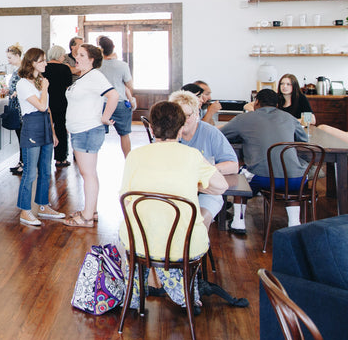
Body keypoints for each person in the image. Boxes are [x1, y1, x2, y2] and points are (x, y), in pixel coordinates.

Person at [120, 101, 227, 307]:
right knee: (188, 231)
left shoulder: (134, 156)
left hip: (139, 243)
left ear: (151, 128)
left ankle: (136, 295)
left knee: (133, 230)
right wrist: (194, 182)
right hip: (182, 246)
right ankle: (184, 294)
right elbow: (221, 186)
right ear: (180, 129)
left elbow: (125, 196)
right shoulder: (192, 156)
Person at [220, 88, 309, 232]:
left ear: (257, 102)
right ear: (277, 105)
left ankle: (238, 222)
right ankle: (294, 223)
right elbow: (303, 140)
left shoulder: (244, 119)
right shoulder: (290, 118)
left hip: (261, 178)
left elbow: (221, 136)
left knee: (238, 176)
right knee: (292, 175)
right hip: (295, 179)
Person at [62, 43, 119, 228]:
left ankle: (86, 217)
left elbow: (114, 95)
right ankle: (90, 210)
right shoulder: (84, 77)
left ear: (92, 60)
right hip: (81, 131)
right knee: (89, 173)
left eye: (82, 55)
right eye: (76, 54)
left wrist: (105, 117)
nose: (76, 58)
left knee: (88, 174)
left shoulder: (95, 76)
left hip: (87, 131)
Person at [168, 90, 238, 225]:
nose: (182, 121)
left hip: (207, 190)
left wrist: (205, 170)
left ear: (196, 114)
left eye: (187, 116)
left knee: (199, 220)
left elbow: (233, 165)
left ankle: (201, 245)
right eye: (178, 116)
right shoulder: (168, 134)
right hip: (177, 190)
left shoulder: (210, 133)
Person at [14, 48, 65, 226]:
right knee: (29, 173)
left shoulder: (39, 81)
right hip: (32, 126)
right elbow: (41, 106)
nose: (46, 63)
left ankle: (43, 205)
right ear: (32, 63)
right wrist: (44, 88)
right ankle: (25, 211)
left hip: (45, 126)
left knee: (45, 170)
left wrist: (53, 131)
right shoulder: (23, 84)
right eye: (42, 61)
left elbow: (48, 109)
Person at [97, 36, 136, 157]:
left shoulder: (97, 65)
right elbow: (129, 85)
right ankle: (128, 160)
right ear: (113, 47)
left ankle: (92, 162)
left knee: (97, 134)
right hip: (120, 103)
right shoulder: (122, 65)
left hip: (101, 103)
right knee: (124, 134)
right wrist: (131, 99)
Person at [43, 45, 72, 167]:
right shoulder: (65, 69)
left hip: (45, 102)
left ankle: (44, 159)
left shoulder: (43, 68)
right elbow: (68, 87)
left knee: (46, 129)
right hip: (61, 102)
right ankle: (61, 159)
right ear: (58, 55)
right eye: (63, 55)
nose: (64, 57)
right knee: (61, 129)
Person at [0, 43, 24, 175]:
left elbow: (21, 89)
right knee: (20, 136)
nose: (8, 60)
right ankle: (21, 162)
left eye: (10, 58)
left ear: (17, 56)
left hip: (19, 109)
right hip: (15, 106)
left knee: (22, 136)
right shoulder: (17, 70)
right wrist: (8, 90)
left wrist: (12, 92)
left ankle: (23, 163)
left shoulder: (22, 70)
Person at [244, 74, 312, 119]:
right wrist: (258, 114)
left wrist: (295, 122)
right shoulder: (275, 97)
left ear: (294, 86)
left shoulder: (301, 98)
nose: (284, 86)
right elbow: (247, 106)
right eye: (282, 84)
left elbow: (311, 119)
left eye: (288, 84)